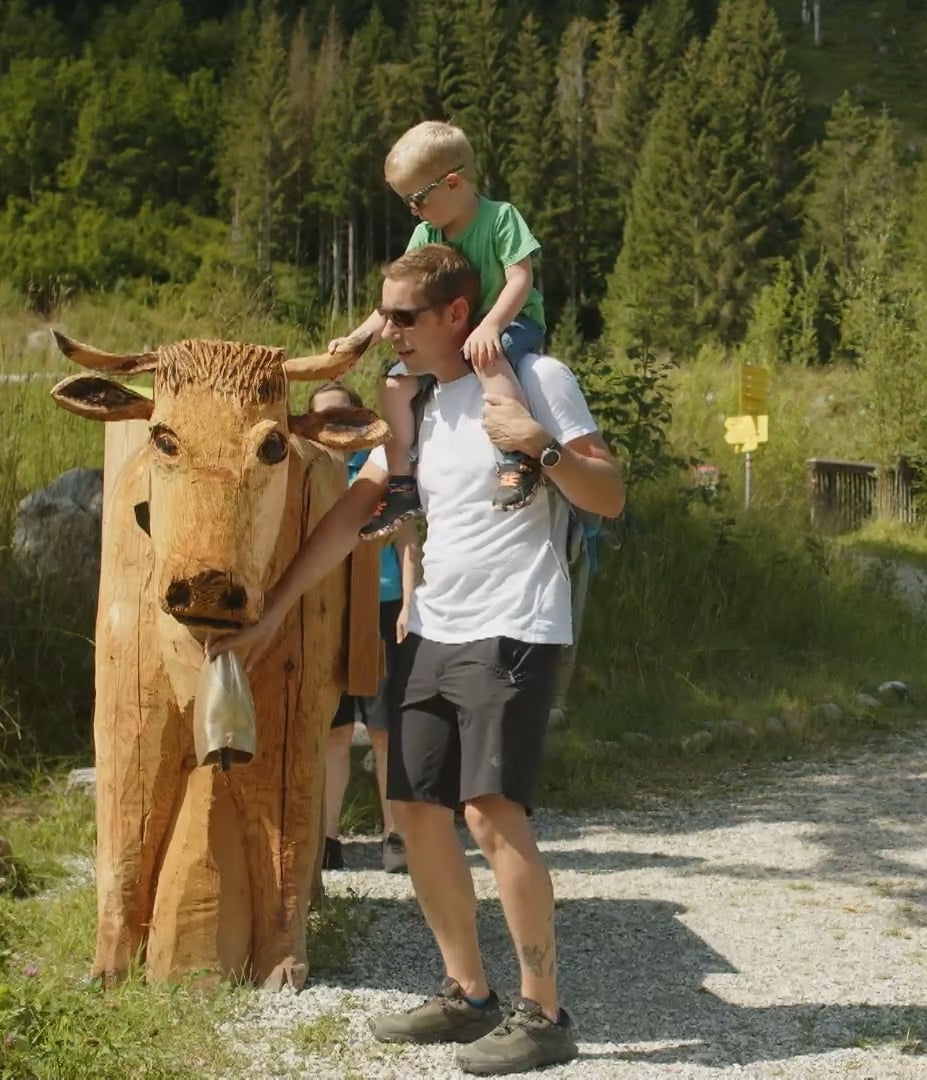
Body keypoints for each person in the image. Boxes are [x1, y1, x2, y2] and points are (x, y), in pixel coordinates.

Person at [212, 243, 623, 1076]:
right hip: (435, 626)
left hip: (516, 625)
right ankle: (467, 994)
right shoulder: (422, 407)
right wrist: (272, 614)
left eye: (404, 317)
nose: (387, 330)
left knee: (488, 809)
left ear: (456, 316)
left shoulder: (537, 378)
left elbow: (609, 494)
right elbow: (351, 517)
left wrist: (538, 445)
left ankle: (544, 1013)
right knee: (416, 808)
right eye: (384, 314)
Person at [333, 120, 551, 539]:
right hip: (454, 334)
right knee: (396, 386)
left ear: (452, 182)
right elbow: (399, 300)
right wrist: (357, 341)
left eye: (416, 200)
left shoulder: (501, 218)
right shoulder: (425, 233)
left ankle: (518, 457)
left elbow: (520, 278)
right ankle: (401, 483)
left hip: (508, 321)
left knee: (489, 356)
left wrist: (491, 325)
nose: (412, 211)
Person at [304, 380, 417, 875]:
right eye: (322, 420)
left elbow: (408, 544)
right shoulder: (302, 475)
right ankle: (328, 840)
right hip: (323, 614)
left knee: (384, 730)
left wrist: (412, 603)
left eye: (343, 418)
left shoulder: (382, 472)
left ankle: (396, 834)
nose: (334, 429)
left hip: (383, 608)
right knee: (332, 732)